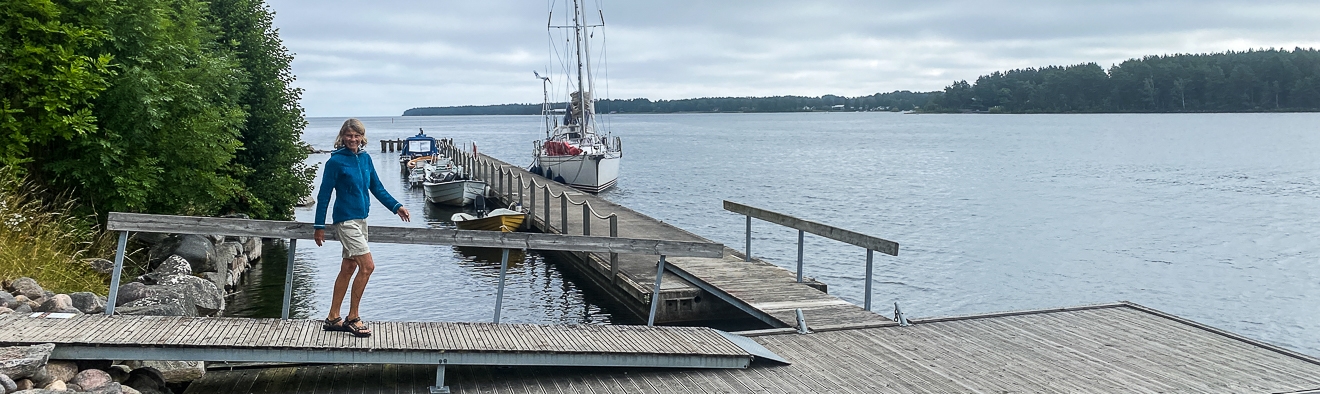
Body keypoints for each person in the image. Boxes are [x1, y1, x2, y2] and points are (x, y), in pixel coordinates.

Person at [313, 118, 411, 337]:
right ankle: (352, 318)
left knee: (348, 268)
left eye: (356, 136)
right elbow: (324, 196)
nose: (353, 139)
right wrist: (319, 225)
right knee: (367, 267)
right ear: (342, 137)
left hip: (361, 220)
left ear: (362, 137)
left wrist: (397, 207)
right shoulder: (335, 162)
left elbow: (377, 187)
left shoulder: (365, 159)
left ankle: (332, 318)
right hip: (345, 221)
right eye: (349, 135)